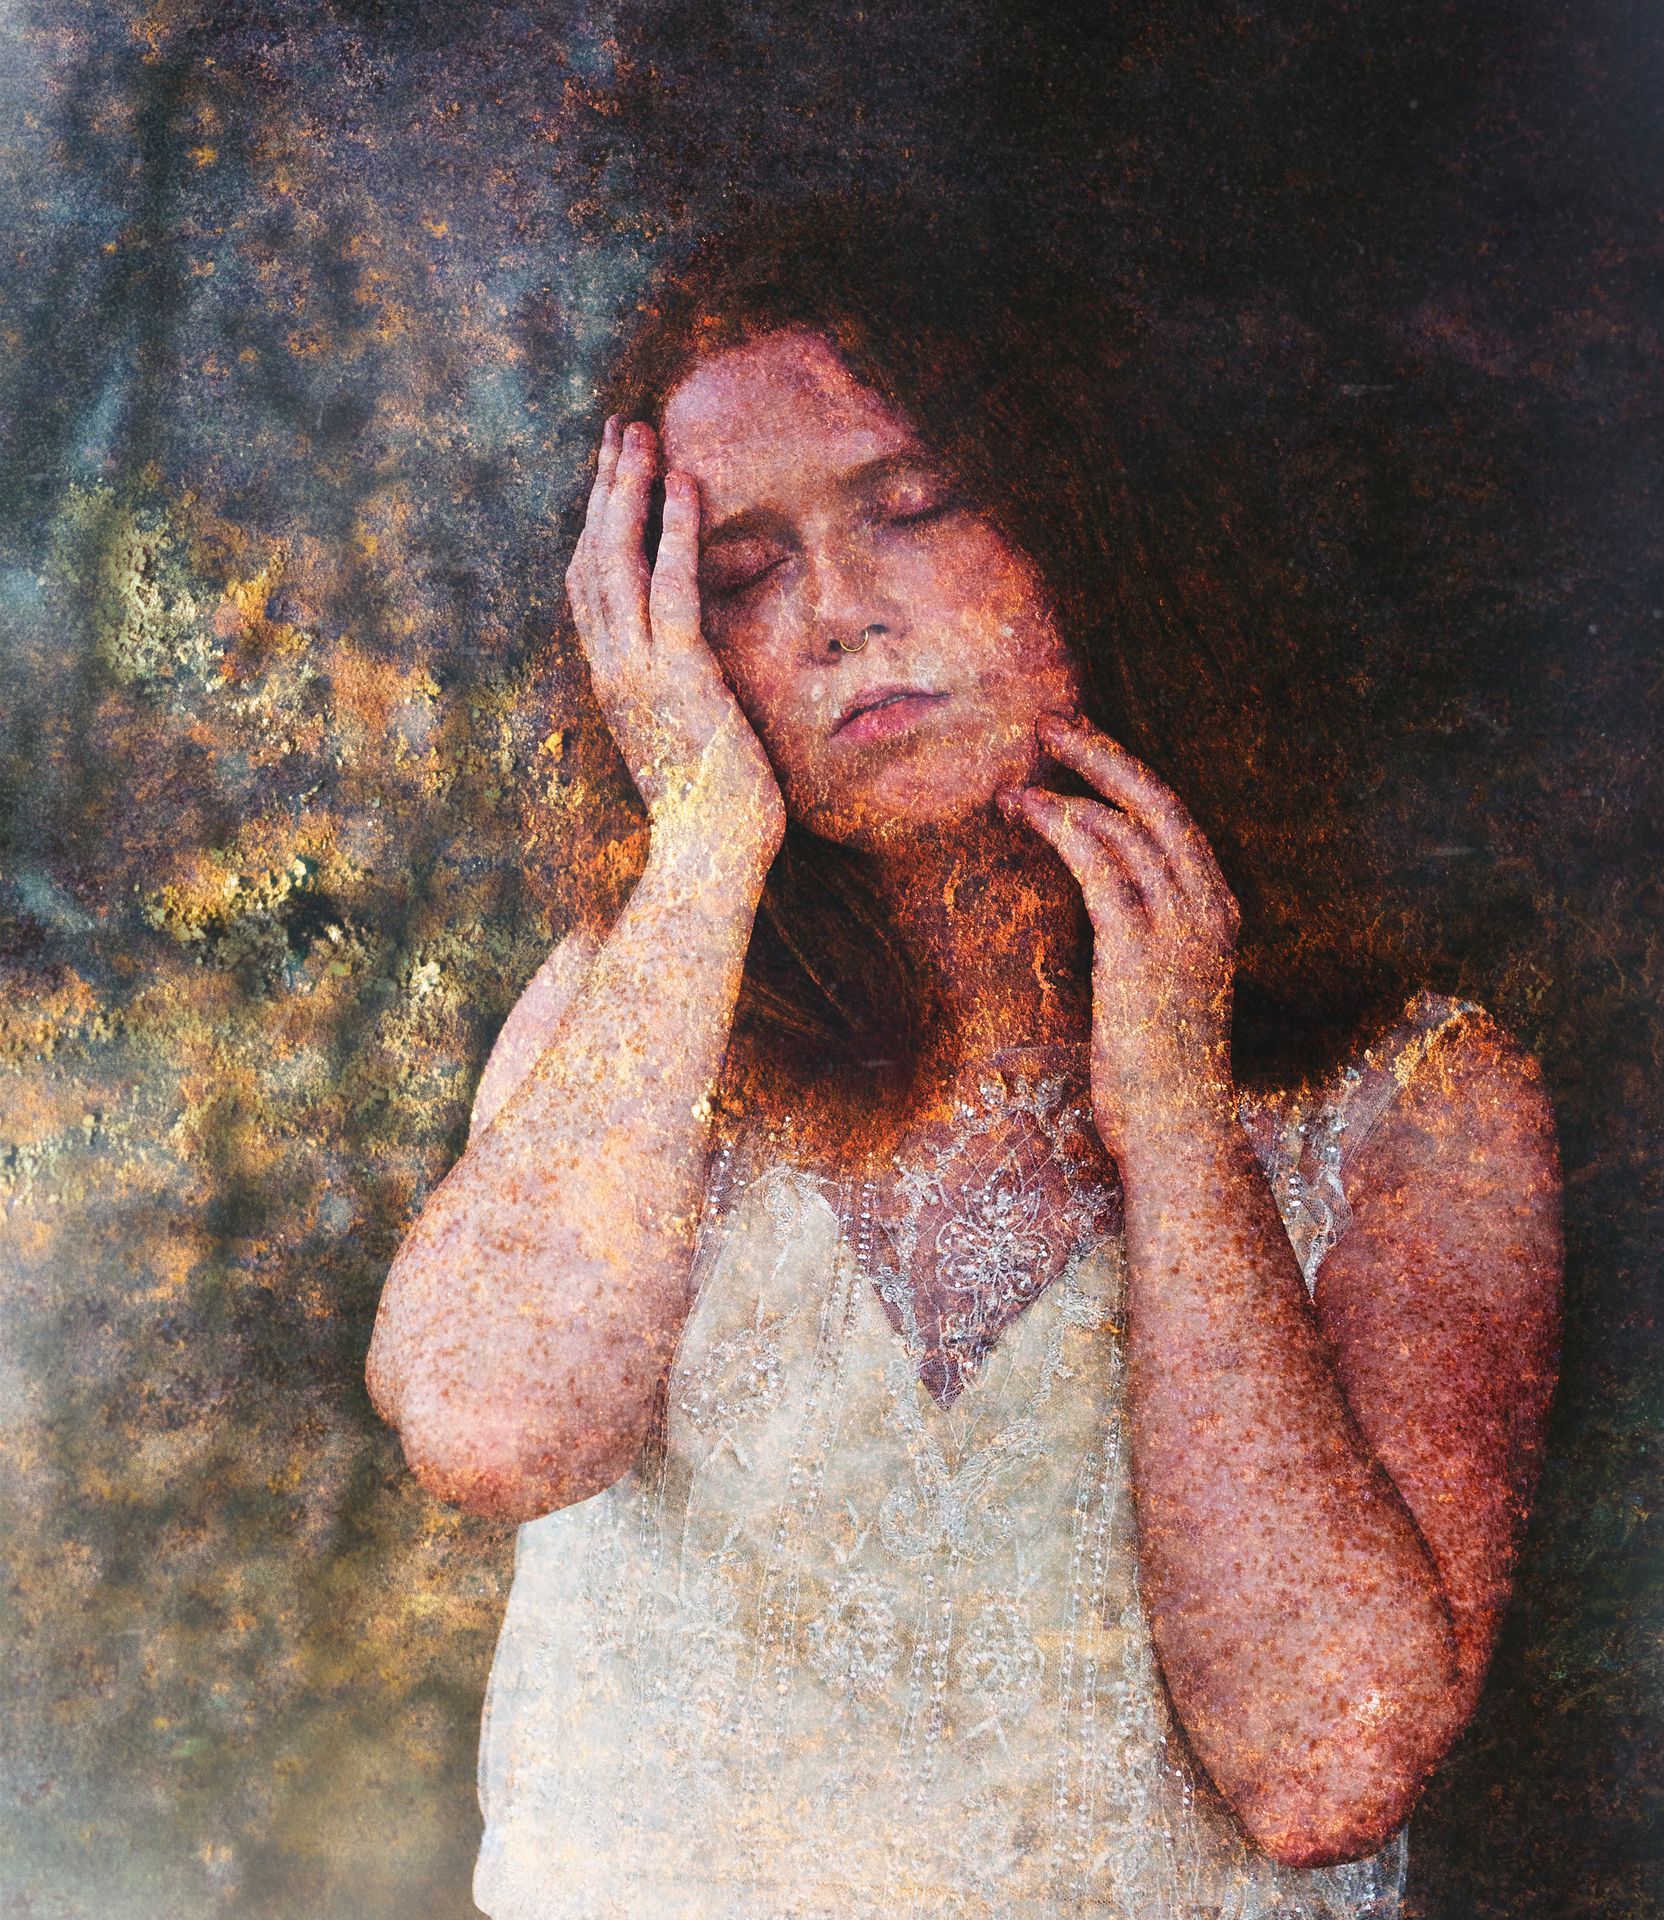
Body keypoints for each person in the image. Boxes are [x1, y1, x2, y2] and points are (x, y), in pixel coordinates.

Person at [364, 202, 1563, 1920]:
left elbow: (1320, 1767)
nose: (841, 613)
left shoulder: (1416, 1095)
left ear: (1082, 525)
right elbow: (492, 1430)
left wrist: (1171, 1121)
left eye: (914, 509)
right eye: (742, 573)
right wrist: (702, 853)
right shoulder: (634, 1007)